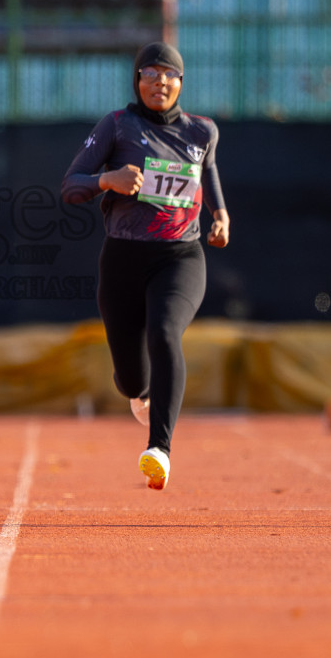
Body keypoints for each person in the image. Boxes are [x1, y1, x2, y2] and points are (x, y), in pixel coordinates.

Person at [61, 42, 230, 491]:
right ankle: (137, 389)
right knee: (132, 377)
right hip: (122, 258)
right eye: (150, 74)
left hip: (180, 256)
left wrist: (220, 215)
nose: (160, 82)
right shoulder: (118, 125)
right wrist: (107, 181)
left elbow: (207, 171)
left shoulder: (202, 132)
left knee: (165, 332)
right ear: (137, 81)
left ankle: (160, 449)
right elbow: (70, 185)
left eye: (169, 75)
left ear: (181, 83)